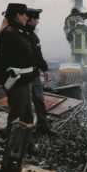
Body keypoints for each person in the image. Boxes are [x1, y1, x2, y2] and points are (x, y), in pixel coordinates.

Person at [0, 3, 36, 137]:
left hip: (24, 81)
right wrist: (0, 79)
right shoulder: (9, 34)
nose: (27, 18)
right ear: (18, 15)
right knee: (17, 114)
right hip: (17, 81)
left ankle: (26, 143)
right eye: (25, 15)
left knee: (27, 113)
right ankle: (12, 145)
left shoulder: (18, 32)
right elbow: (1, 59)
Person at [26, 8, 56, 136]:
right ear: (31, 19)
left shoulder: (32, 34)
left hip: (34, 73)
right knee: (25, 105)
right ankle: (26, 135)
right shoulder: (21, 34)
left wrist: (44, 68)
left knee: (39, 99)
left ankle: (43, 126)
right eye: (37, 19)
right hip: (24, 74)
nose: (38, 21)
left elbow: (38, 54)